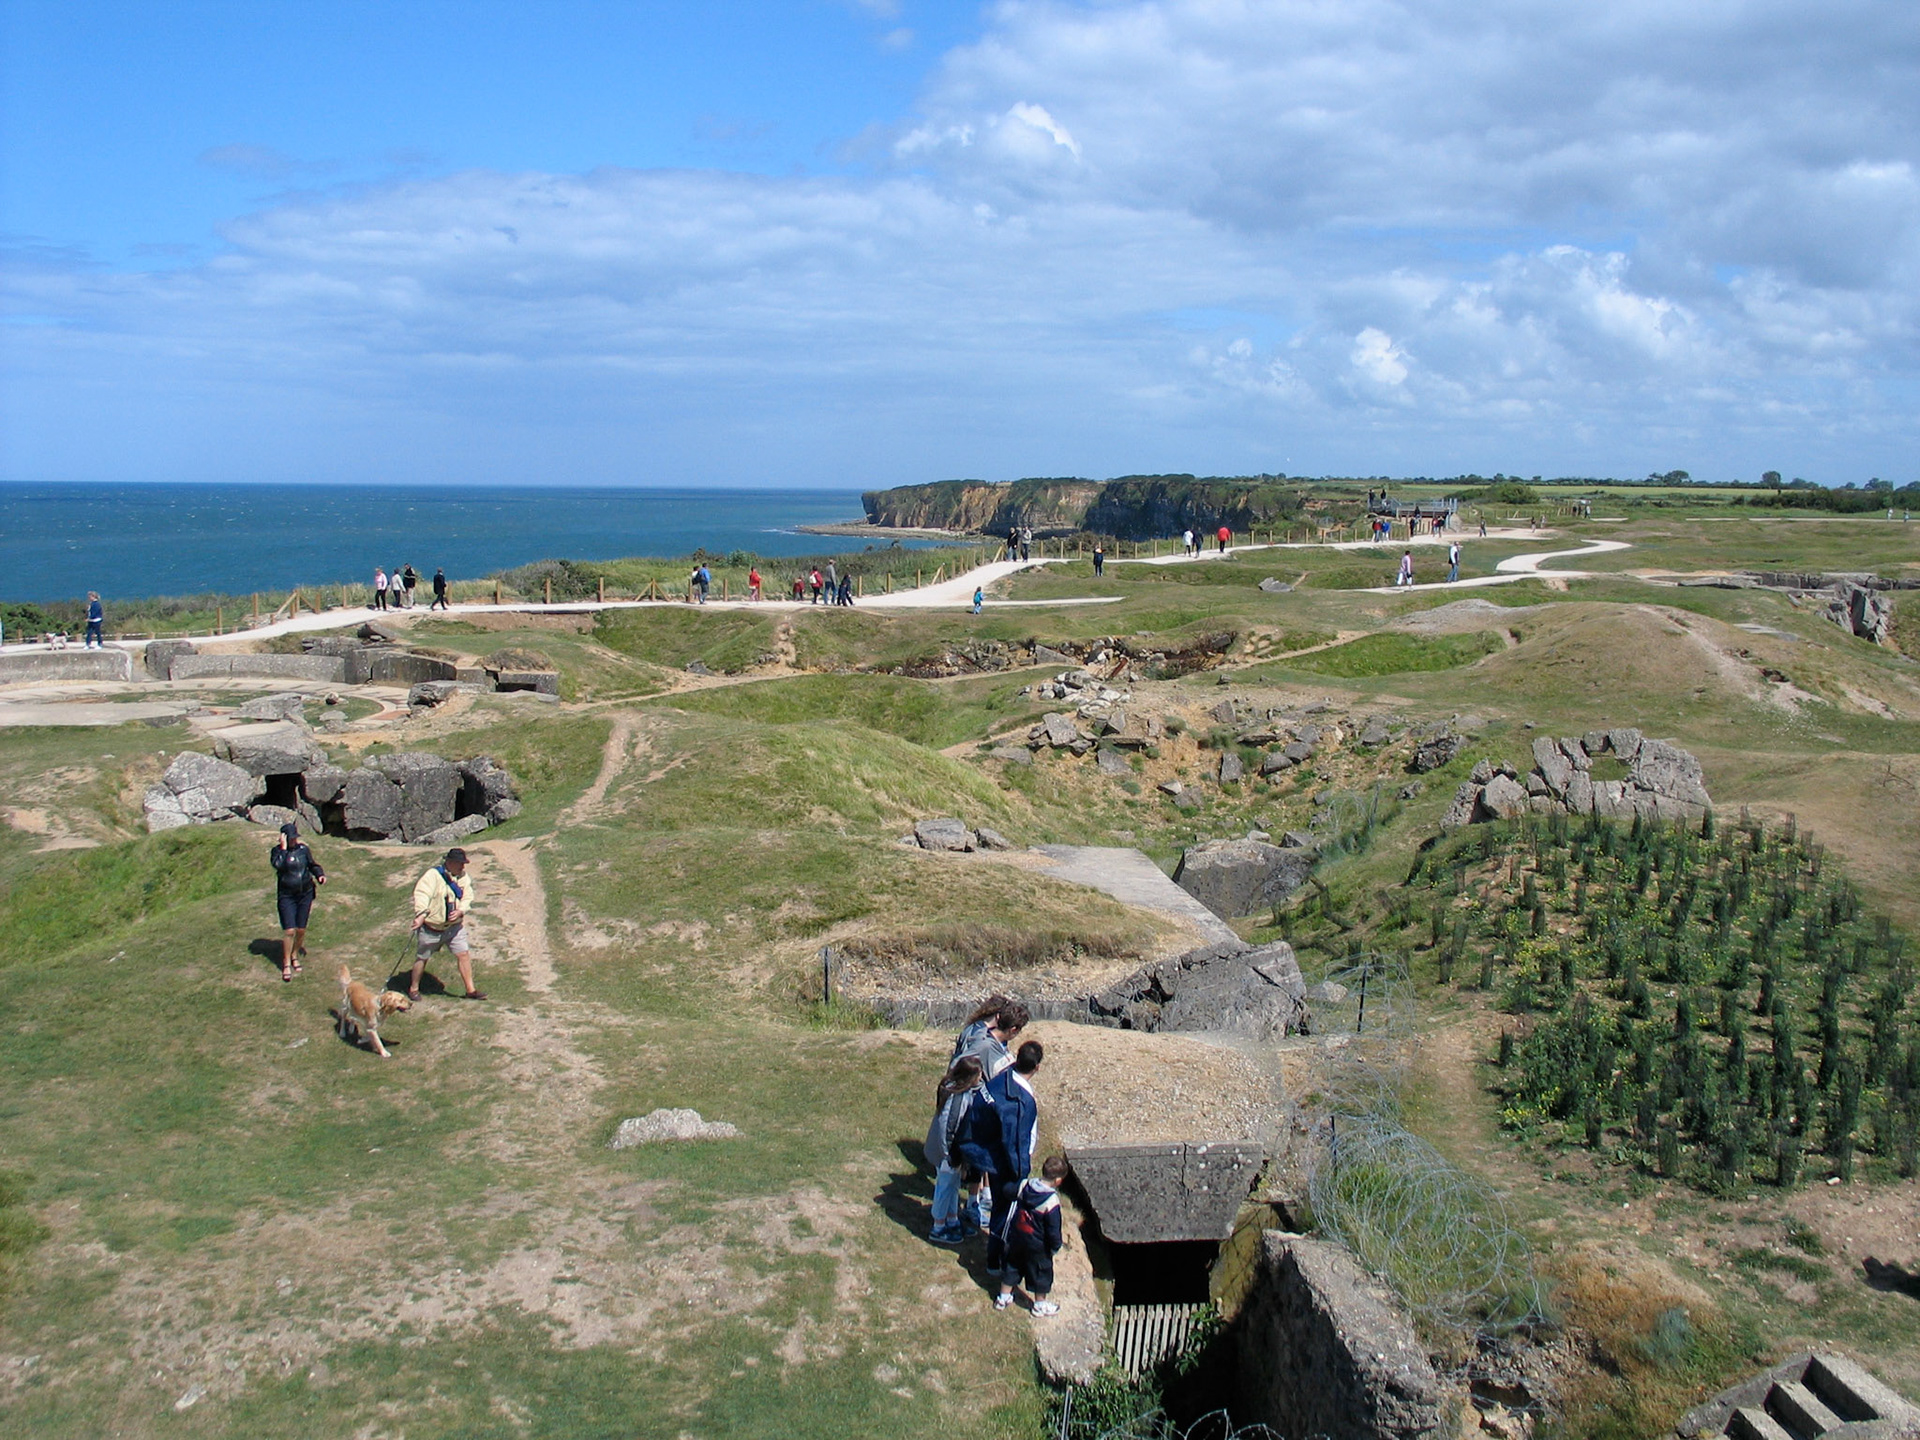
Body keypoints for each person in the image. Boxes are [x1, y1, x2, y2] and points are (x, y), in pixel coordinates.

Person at [975, 1039, 1044, 1282]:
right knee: (1004, 1216)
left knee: (1000, 1210)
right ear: (1037, 1067)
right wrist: (1021, 1173)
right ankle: (995, 1262)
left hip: (992, 1157)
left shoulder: (999, 1082)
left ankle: (997, 1257)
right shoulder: (1022, 1101)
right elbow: (1017, 1141)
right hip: (1009, 1166)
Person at [408, 847, 486, 1002]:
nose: (462, 867)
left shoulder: (463, 877)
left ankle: (470, 990)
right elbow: (422, 894)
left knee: (463, 954)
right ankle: (414, 988)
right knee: (422, 958)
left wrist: (461, 910)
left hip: (453, 927)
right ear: (449, 862)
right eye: (460, 863)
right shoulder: (432, 876)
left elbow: (467, 896)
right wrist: (421, 914)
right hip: (431, 928)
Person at [995, 1155, 1069, 1314]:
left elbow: (1008, 1191)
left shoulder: (1025, 1185)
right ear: (1058, 1181)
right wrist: (1055, 1247)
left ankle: (1003, 1297)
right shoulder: (1051, 1201)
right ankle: (1039, 1305)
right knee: (1041, 1273)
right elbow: (1053, 1229)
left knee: (1012, 1265)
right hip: (1038, 1246)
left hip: (1017, 1237)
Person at [926, 1054, 987, 1245]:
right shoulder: (958, 1097)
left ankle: (952, 1221)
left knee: (952, 1186)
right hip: (948, 1153)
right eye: (979, 1074)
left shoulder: (955, 1088)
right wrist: (949, 1156)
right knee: (944, 1188)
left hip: (954, 1153)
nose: (981, 1077)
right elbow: (948, 1128)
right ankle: (938, 1227)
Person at [270, 822, 325, 982]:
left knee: (301, 929)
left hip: (304, 893)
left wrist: (319, 874)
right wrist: (283, 848)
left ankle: (294, 955)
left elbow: (312, 865)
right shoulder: (277, 852)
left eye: (295, 837)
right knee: (289, 930)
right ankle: (286, 963)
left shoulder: (303, 850)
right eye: (291, 838)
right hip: (287, 895)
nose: (294, 840)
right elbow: (278, 865)